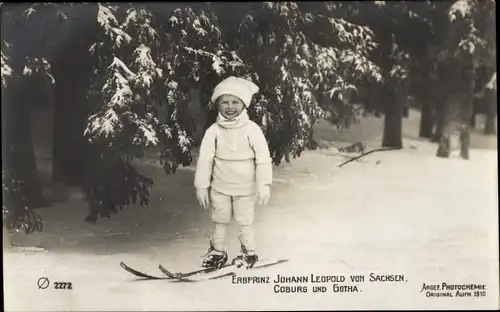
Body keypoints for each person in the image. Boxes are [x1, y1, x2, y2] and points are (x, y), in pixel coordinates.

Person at [194, 76, 273, 268]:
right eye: (225, 102)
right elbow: (205, 159)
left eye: (235, 102)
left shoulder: (252, 129)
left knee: (244, 221)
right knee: (220, 221)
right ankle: (217, 253)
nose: (230, 107)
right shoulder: (214, 131)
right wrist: (201, 186)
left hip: (245, 189)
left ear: (244, 104)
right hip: (220, 187)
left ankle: (249, 253)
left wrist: (264, 184)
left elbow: (263, 159)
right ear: (218, 104)